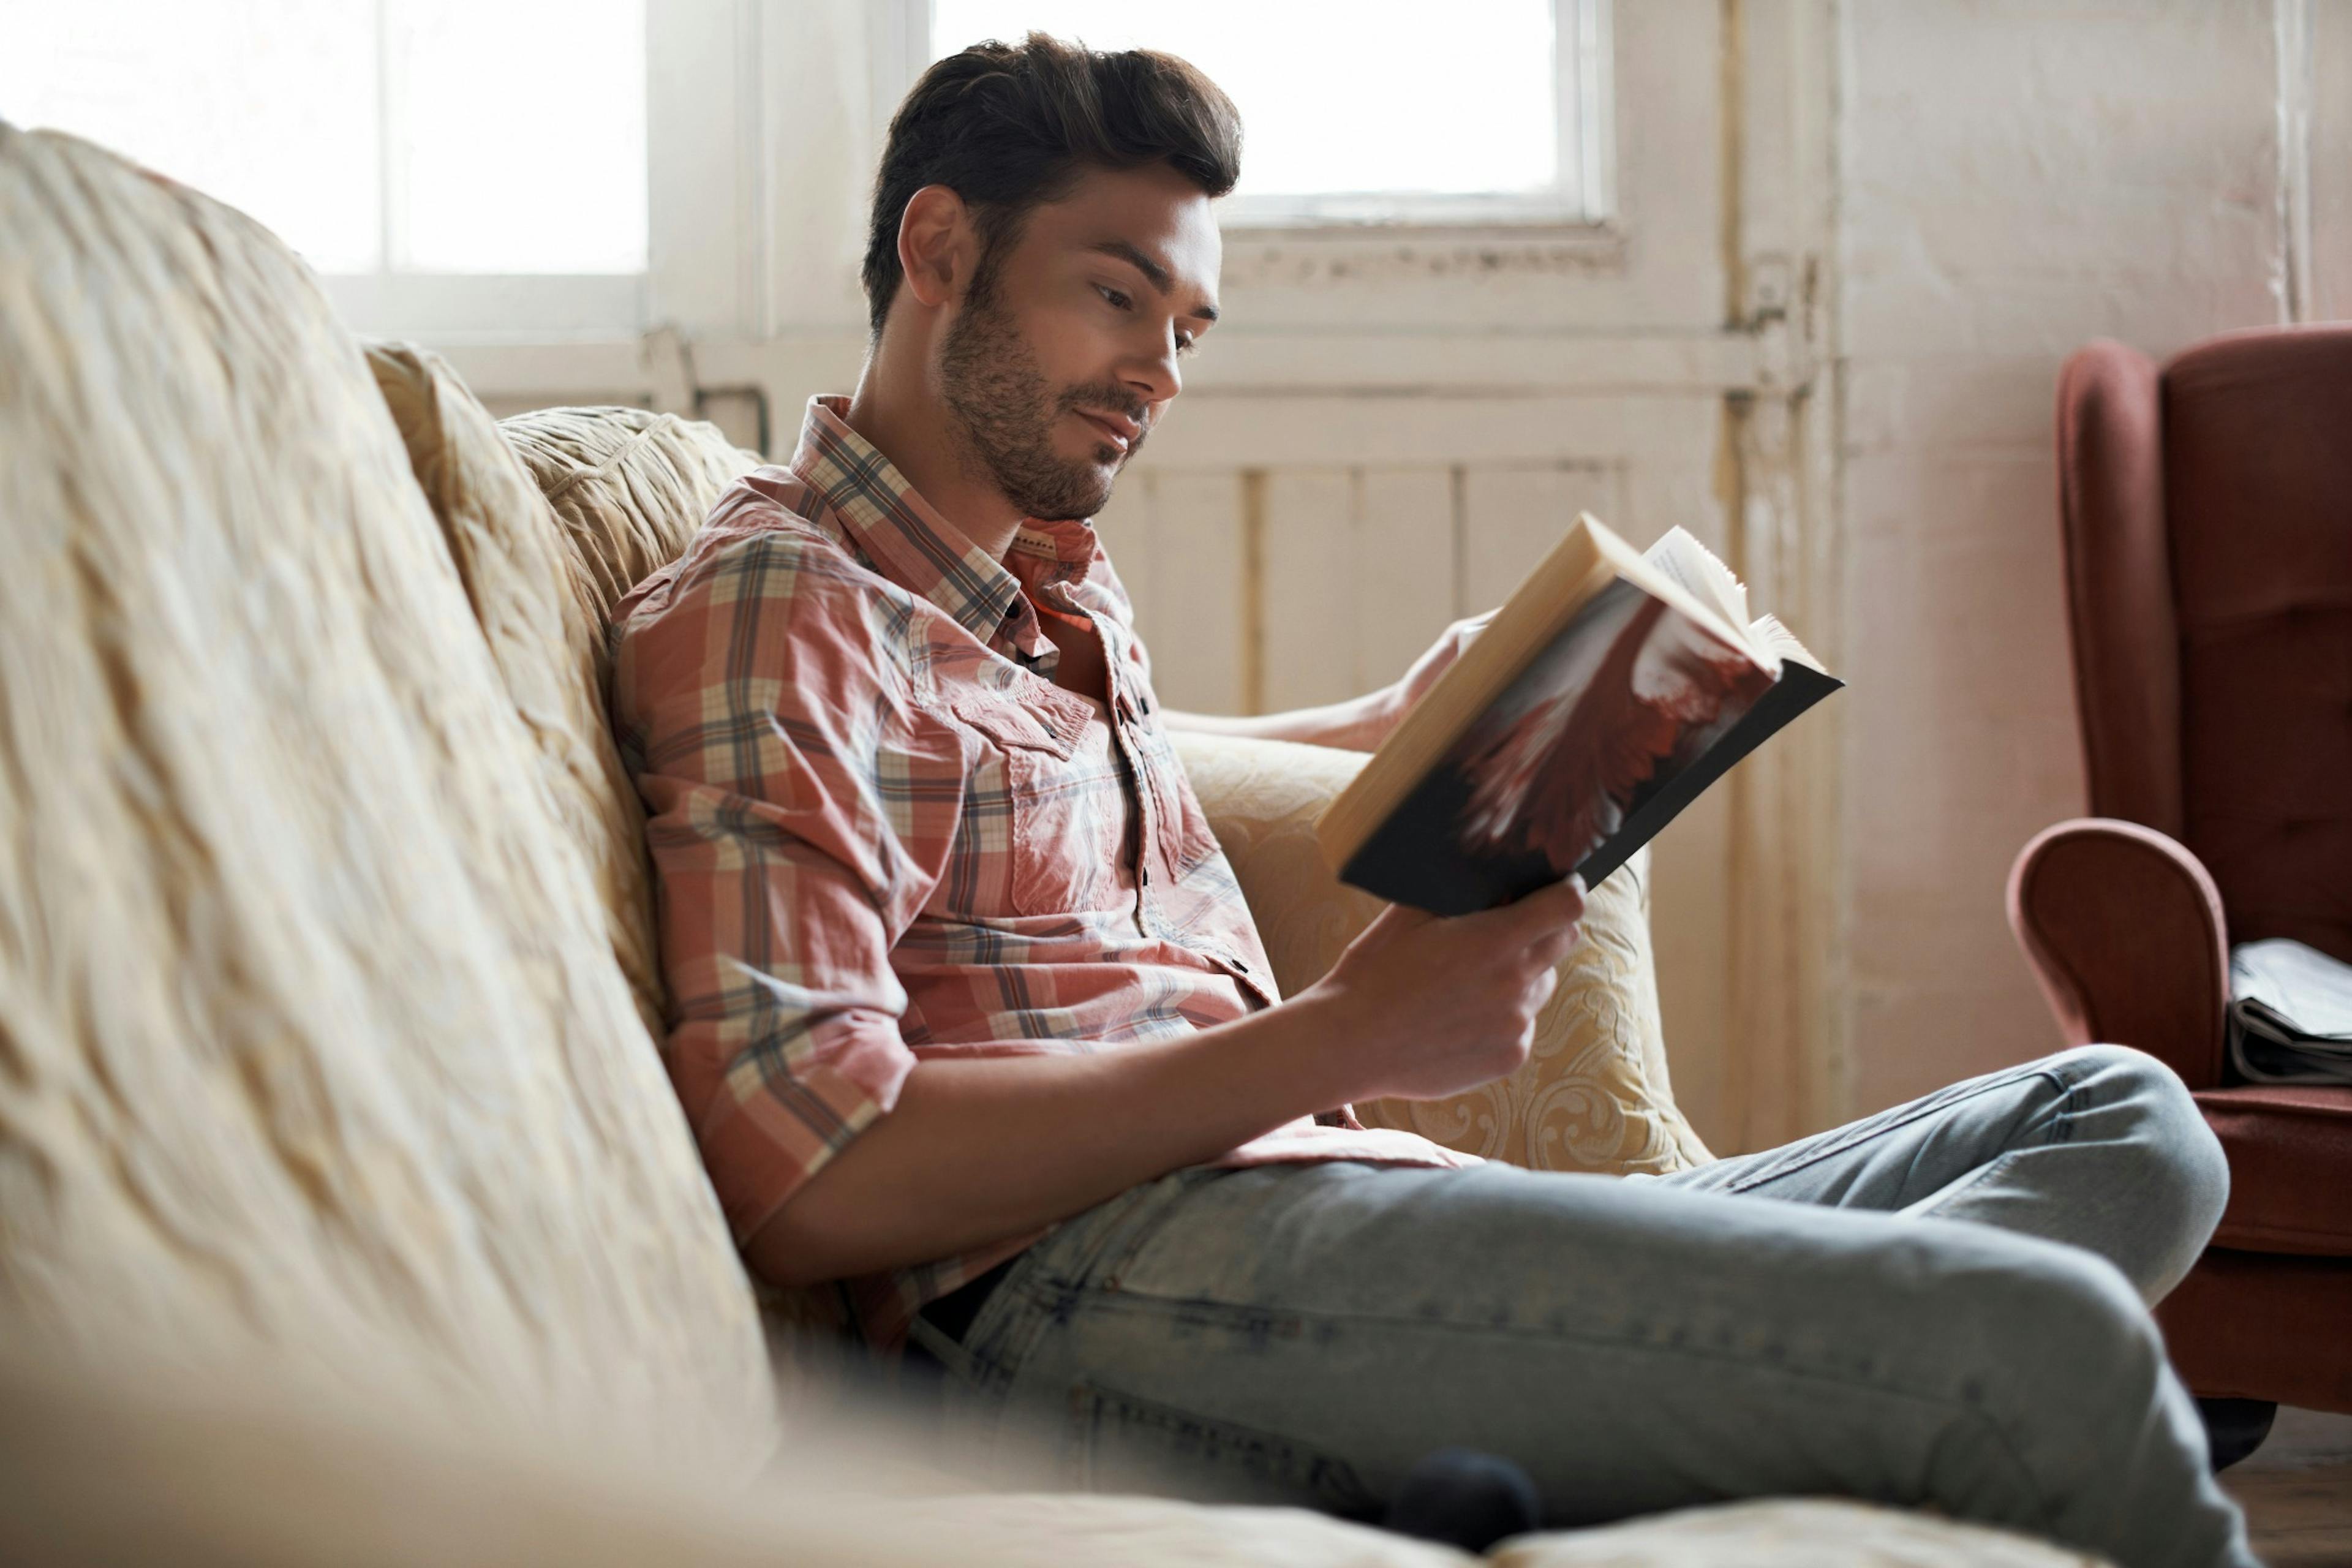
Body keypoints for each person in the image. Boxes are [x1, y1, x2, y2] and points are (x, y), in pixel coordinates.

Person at [606, 32, 2253, 1568]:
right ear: (942, 247)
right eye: (1116, 296)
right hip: (1103, 1288)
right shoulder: (783, 609)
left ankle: (1669, 1429)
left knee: (2129, 1125)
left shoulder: (1030, 587)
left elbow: (1004, 765)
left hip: (1341, 1216)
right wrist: (1345, 1036)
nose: (1157, 375)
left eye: (1184, 329)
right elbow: (810, 1169)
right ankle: (1779, 1415)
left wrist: (1390, 725)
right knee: (2045, 1338)